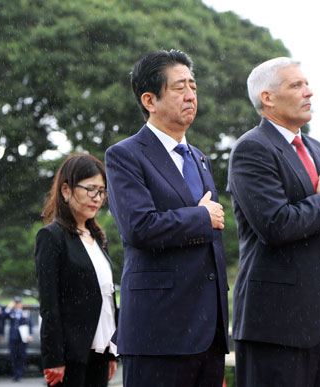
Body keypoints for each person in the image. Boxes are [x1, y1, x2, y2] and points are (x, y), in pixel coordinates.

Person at [104, 49, 229, 387]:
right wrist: (201, 218)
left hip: (208, 334)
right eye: (179, 88)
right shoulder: (124, 155)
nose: (190, 96)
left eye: (193, 86)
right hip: (158, 330)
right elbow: (139, 228)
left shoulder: (199, 159)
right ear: (150, 100)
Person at [227, 57, 320, 386]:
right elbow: (275, 225)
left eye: (306, 84)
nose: (309, 92)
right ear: (267, 97)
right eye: (296, 85)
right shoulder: (252, 149)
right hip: (273, 324)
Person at [35, 153, 118, 387]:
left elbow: (107, 298)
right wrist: (53, 357)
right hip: (70, 356)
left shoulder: (98, 238)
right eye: (90, 189)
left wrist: (112, 351)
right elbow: (48, 304)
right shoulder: (52, 237)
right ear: (66, 190)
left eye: (101, 191)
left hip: (100, 351)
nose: (97, 198)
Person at [4, 297, 30, 382]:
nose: (18, 304)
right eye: (16, 303)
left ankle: (20, 374)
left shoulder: (26, 313)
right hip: (13, 337)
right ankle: (15, 374)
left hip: (22, 338)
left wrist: (30, 335)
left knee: (21, 356)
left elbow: (30, 324)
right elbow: (3, 315)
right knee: (13, 357)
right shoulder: (11, 312)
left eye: (19, 303)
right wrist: (9, 306)